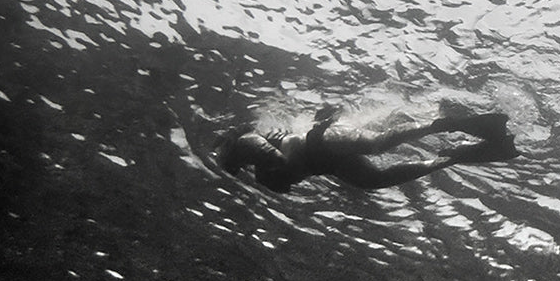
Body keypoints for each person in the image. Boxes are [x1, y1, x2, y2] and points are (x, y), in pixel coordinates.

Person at [218, 107, 517, 192]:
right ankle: (453, 156)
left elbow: (277, 159)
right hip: (327, 164)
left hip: (319, 142)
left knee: (380, 142)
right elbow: (287, 181)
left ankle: (446, 124)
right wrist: (272, 178)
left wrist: (269, 174)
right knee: (377, 180)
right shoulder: (254, 162)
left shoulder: (247, 144)